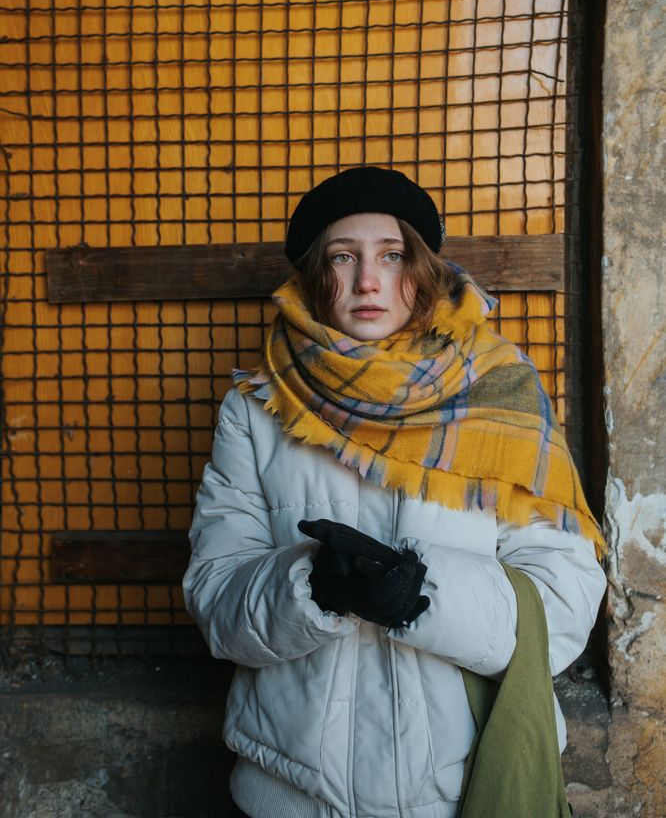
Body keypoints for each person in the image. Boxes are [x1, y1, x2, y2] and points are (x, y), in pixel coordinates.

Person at [183, 166, 606, 818]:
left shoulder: (501, 394)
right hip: (290, 795)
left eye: (392, 255)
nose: (367, 281)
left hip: (456, 794)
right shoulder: (257, 408)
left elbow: (565, 603)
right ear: (314, 274)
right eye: (342, 257)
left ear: (424, 269)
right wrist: (310, 588)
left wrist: (423, 595)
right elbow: (215, 600)